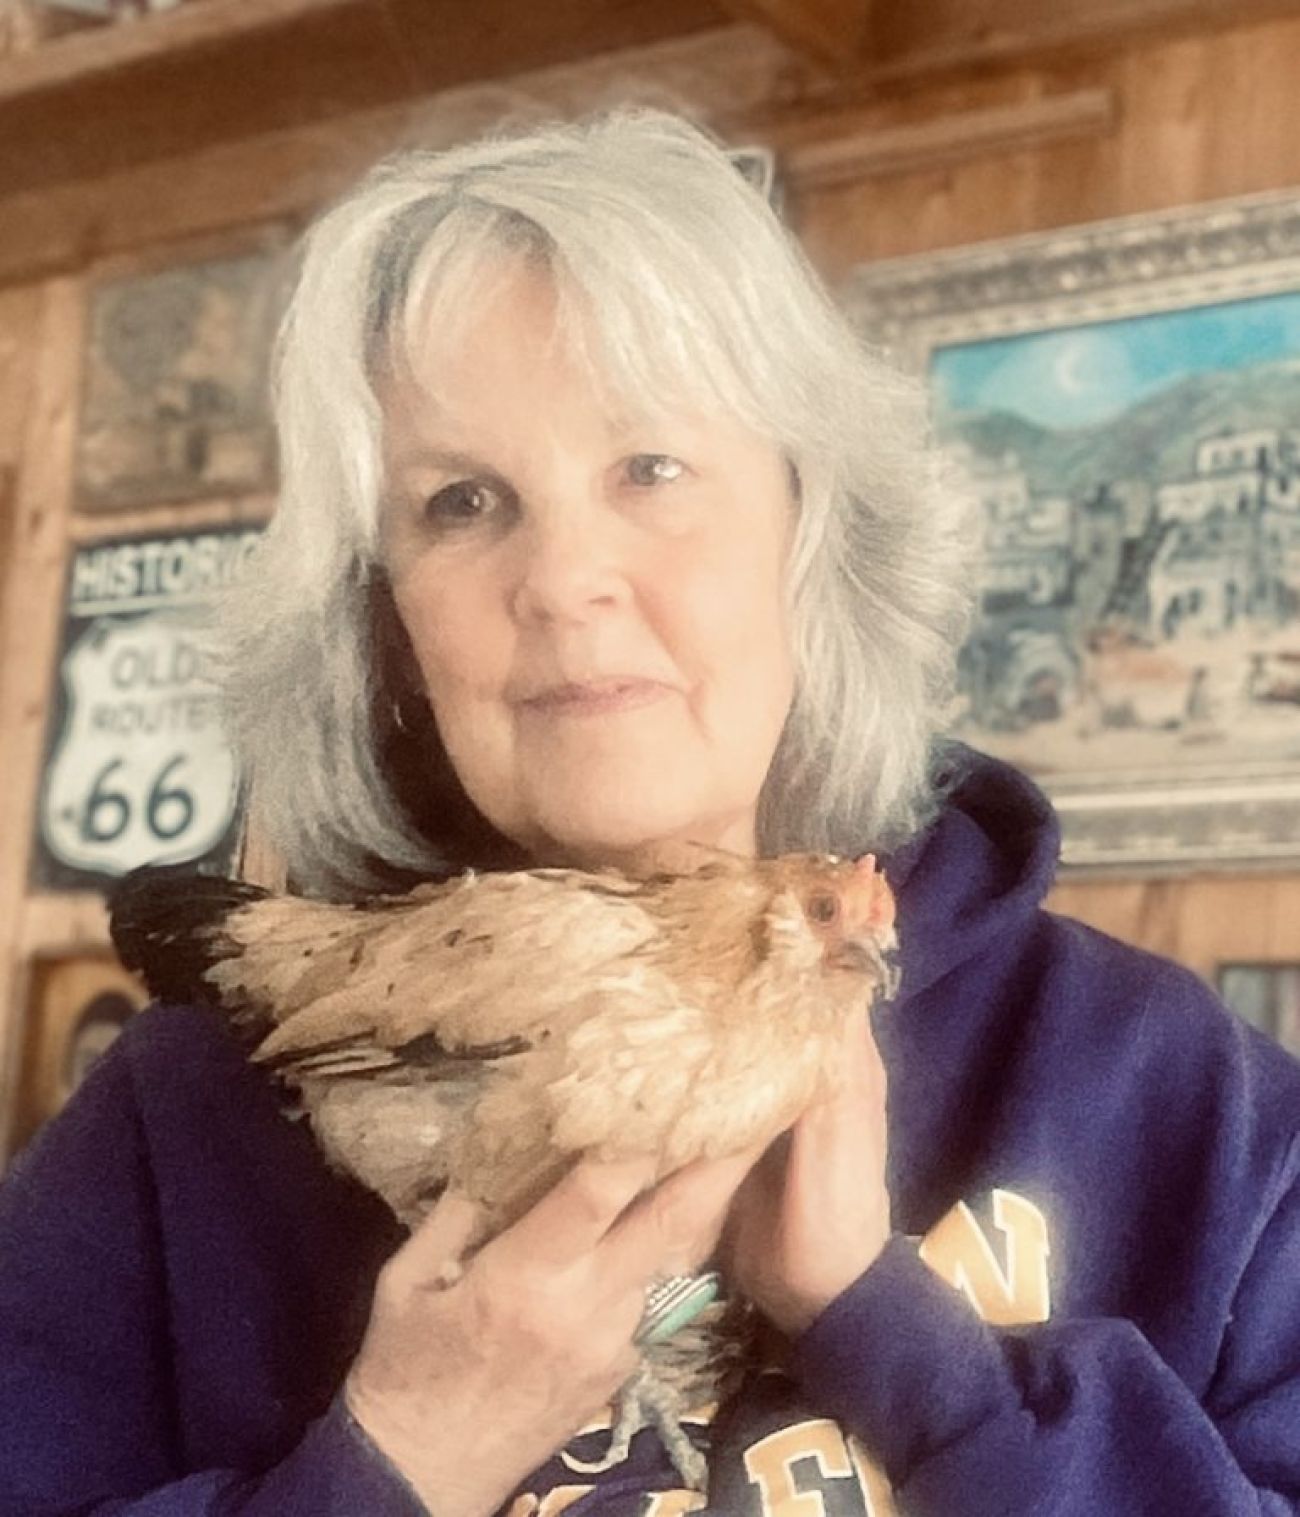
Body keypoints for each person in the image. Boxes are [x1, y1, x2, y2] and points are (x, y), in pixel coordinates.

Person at [2, 109, 1299, 1517]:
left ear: (813, 537)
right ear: (383, 620)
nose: (565, 577)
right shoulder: (177, 1130)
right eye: (463, 499)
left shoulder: (1187, 1109)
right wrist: (396, 1458)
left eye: (652, 468)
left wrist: (904, 1344)